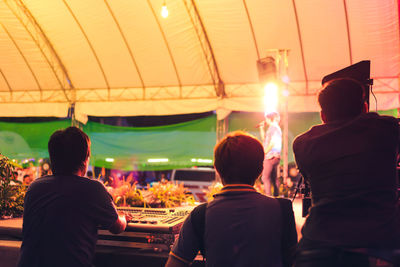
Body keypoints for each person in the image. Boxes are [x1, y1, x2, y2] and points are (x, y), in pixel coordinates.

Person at [293, 78, 400, 266]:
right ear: (365, 107)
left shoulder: (303, 144)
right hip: (380, 244)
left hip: (318, 243)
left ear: (323, 116)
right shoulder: (388, 130)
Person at [165, 131, 297, 267]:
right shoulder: (282, 209)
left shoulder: (200, 215)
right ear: (260, 169)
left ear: (217, 169)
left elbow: (175, 263)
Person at [18, 127, 130, 267]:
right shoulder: (92, 189)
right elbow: (117, 227)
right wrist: (123, 216)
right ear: (85, 159)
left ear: (53, 158)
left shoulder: (35, 187)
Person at [259, 112, 282, 196]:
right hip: (275, 156)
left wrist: (264, 152)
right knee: (273, 178)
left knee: (265, 177)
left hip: (270, 156)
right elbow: (265, 139)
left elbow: (272, 142)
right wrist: (261, 128)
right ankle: (276, 196)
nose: (265, 121)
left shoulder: (273, 127)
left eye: (266, 119)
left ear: (269, 119)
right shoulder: (274, 128)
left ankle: (268, 196)